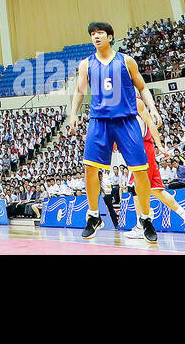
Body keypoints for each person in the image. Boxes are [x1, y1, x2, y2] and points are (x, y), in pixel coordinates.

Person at [65, 23, 159, 243]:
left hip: (126, 121)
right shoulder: (86, 64)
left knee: (140, 171)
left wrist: (152, 108)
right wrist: (73, 114)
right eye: (92, 34)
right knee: (89, 168)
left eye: (99, 33)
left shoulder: (126, 61)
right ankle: (94, 216)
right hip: (99, 121)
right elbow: (80, 91)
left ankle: (145, 218)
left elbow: (143, 87)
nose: (95, 37)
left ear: (110, 37)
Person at [122, 97, 185, 240]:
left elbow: (151, 125)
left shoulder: (134, 101)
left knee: (136, 189)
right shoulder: (122, 104)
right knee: (156, 190)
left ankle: (141, 225)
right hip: (141, 149)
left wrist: (159, 145)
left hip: (142, 149)